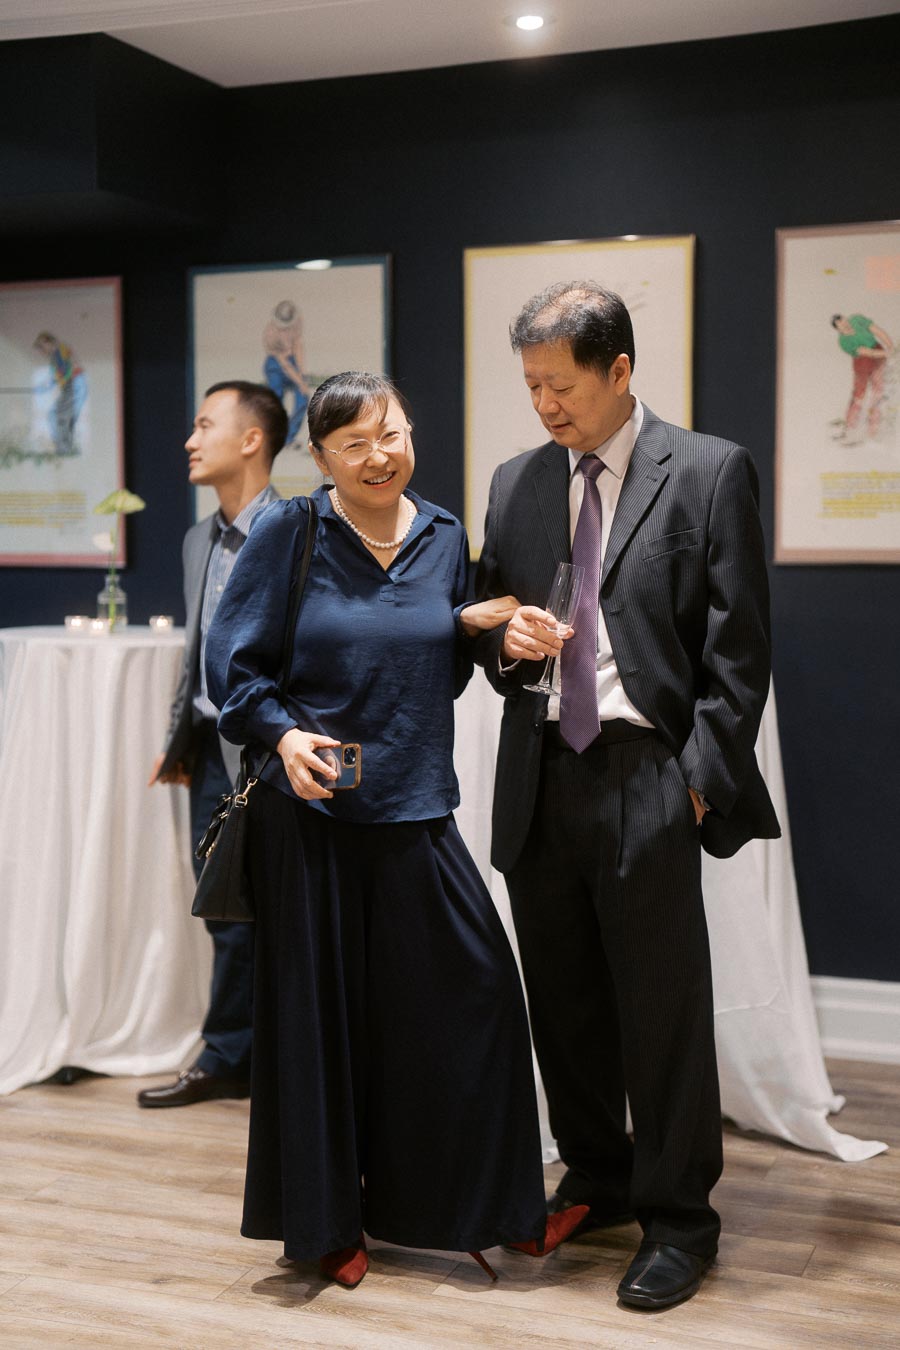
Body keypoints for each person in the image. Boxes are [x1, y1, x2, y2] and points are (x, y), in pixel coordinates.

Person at [204, 371, 587, 1287]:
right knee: (320, 1026)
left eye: (394, 433)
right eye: (354, 445)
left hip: (416, 801)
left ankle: (499, 1211)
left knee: (479, 996)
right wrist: (286, 734)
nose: (381, 456)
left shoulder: (446, 534)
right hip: (315, 814)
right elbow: (236, 671)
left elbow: (439, 662)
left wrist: (488, 635)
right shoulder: (289, 533)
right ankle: (328, 1227)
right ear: (320, 457)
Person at [471, 282, 780, 1310]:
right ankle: (597, 1175)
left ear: (619, 370)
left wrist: (698, 782)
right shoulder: (515, 482)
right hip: (540, 772)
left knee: (663, 1010)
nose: (546, 405)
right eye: (531, 386)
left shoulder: (706, 471)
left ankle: (681, 1220)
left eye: (561, 384)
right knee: (563, 1003)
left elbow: (740, 653)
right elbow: (490, 627)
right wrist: (503, 641)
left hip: (650, 772)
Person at [137, 381, 287, 1108]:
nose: (190, 442)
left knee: (283, 913)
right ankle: (232, 1054)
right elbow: (199, 648)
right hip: (210, 752)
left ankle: (272, 1060)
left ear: (252, 440)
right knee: (223, 907)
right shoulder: (199, 536)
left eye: (204, 426)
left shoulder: (296, 527)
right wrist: (180, 738)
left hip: (273, 755)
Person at [830, 313, 894, 442]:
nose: (844, 325)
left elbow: (878, 331)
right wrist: (887, 353)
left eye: (843, 321)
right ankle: (850, 427)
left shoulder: (857, 320)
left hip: (878, 352)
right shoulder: (844, 342)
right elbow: (866, 352)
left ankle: (873, 428)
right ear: (838, 329)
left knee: (878, 390)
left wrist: (890, 346)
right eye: (840, 325)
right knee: (859, 394)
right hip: (862, 362)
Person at [263, 300, 311, 445]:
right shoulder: (270, 334)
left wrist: (302, 373)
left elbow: (297, 347)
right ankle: (274, 436)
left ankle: (288, 438)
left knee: (303, 398)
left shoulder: (297, 322)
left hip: (291, 361)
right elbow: (284, 365)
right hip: (276, 365)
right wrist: (300, 382)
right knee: (275, 399)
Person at [33, 331, 88, 456]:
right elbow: (56, 378)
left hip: (75, 385)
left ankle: (63, 450)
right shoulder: (54, 358)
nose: (42, 352)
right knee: (60, 418)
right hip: (72, 386)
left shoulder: (61, 350)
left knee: (56, 416)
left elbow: (72, 368)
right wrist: (44, 387)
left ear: (49, 343)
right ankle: (64, 449)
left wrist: (60, 380)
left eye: (42, 347)